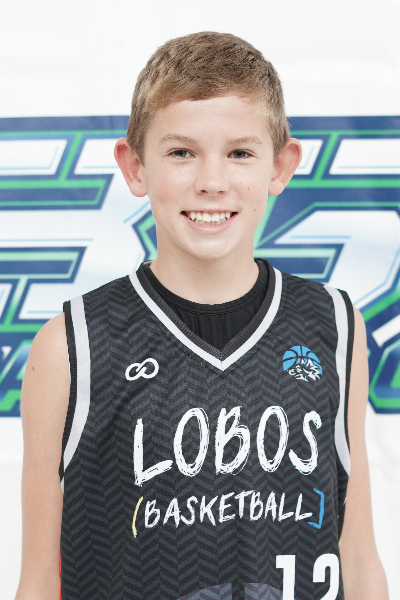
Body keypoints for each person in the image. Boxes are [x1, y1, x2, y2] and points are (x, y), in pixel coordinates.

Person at [16, 32, 388, 600]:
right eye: (181, 153)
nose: (212, 182)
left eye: (239, 153)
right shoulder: (73, 345)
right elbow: (41, 578)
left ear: (280, 165)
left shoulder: (334, 326)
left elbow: (357, 554)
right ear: (134, 166)